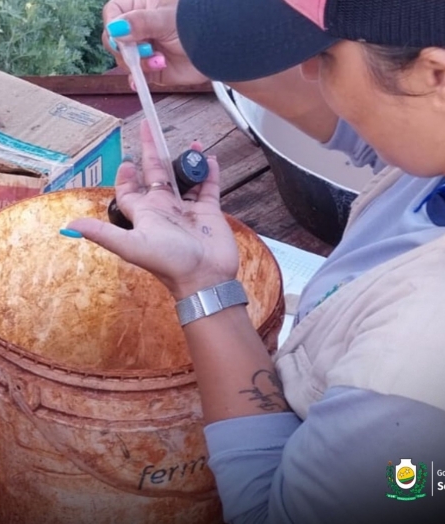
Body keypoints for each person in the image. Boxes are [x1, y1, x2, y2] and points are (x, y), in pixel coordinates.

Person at [61, 0, 445, 522]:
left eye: (323, 55)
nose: (306, 71)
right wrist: (222, 55)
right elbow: (388, 133)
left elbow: (272, 511)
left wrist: (200, 282)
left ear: (435, 73)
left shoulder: (414, 376)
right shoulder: (429, 145)